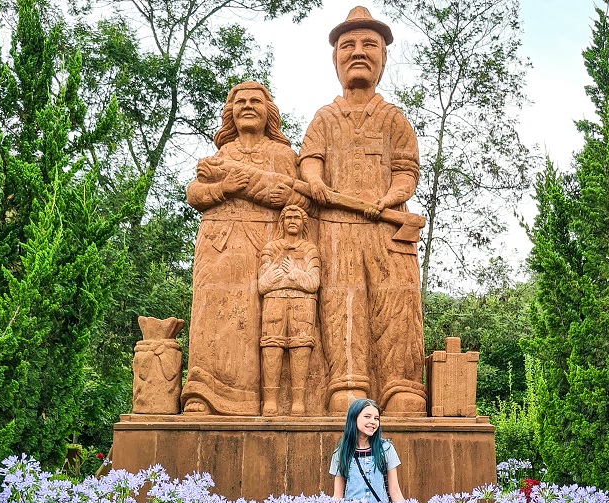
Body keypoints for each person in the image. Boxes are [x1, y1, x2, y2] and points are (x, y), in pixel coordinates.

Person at [299, 6, 427, 416]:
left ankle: (401, 386)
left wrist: (391, 197)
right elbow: (309, 159)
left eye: (369, 44)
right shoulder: (324, 117)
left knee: (397, 304)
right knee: (342, 303)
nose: (358, 51)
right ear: (335, 58)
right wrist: (315, 179)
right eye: (348, 45)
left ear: (384, 58)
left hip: (388, 229)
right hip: (335, 229)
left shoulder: (394, 119)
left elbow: (407, 170)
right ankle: (348, 384)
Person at [181, 81, 311, 415]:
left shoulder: (282, 155)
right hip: (218, 246)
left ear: (269, 111)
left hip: (263, 247)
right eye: (240, 102)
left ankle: (257, 400)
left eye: (256, 101)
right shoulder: (221, 156)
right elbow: (195, 194)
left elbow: (302, 198)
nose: (248, 106)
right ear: (231, 112)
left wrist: (284, 197)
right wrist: (225, 187)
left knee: (257, 322)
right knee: (212, 316)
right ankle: (203, 394)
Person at [258, 205, 320, 416]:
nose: (293, 221)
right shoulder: (271, 248)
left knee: (301, 346)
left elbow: (313, 283)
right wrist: (280, 278)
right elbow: (263, 284)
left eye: (297, 217)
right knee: (271, 345)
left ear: (304, 223)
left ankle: (298, 403)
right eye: (288, 217)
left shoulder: (310, 249)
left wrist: (293, 273)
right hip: (274, 302)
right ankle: (270, 402)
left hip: (303, 304)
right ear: (282, 222)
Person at [330, 398, 419, 503]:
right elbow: (338, 496)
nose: (373, 422)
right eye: (367, 416)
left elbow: (395, 491)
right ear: (354, 418)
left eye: (376, 418)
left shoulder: (385, 448)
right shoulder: (341, 452)